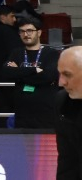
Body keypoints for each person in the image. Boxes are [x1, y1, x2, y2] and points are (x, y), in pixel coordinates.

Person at [3, 17, 63, 129]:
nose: (26, 34)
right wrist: (34, 70)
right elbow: (7, 73)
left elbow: (48, 76)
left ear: (39, 32)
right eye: (22, 31)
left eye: (30, 30)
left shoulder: (51, 54)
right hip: (22, 113)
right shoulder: (16, 53)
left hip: (46, 114)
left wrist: (19, 74)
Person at [56, 46, 82, 180]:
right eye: (60, 74)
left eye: (67, 74)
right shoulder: (64, 102)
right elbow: (68, 162)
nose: (61, 82)